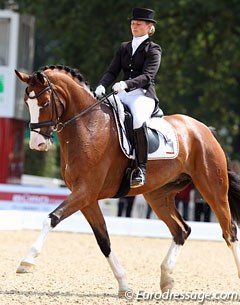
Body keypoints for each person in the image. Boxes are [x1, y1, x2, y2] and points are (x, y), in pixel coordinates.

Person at [95, 7, 162, 188]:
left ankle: (141, 168)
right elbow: (112, 71)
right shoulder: (124, 47)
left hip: (142, 95)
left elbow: (148, 76)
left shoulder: (153, 49)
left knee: (138, 120)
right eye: (132, 24)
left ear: (149, 27)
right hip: (122, 93)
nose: (134, 27)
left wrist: (126, 84)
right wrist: (102, 85)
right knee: (100, 114)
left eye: (138, 24)